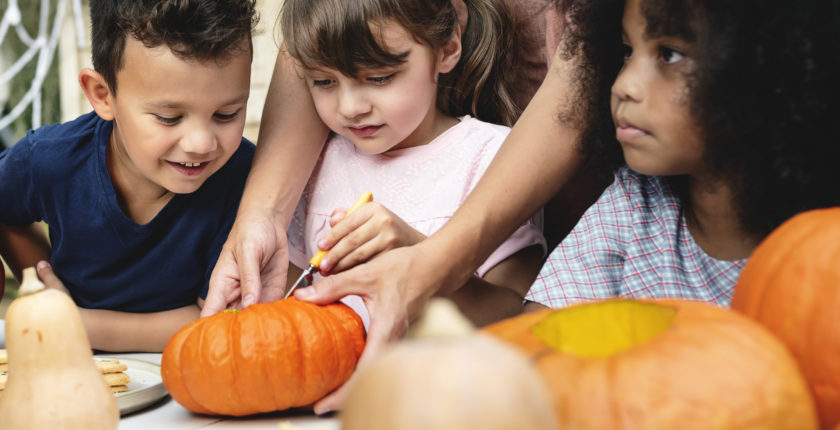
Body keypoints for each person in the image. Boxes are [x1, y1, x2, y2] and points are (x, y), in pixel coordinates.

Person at [0, 0, 258, 352]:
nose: (201, 144)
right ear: (103, 95)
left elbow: (218, 319)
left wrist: (79, 324)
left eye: (227, 114)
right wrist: (44, 282)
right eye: (169, 117)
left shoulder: (247, 181)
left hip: (193, 380)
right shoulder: (49, 159)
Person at [278, 0, 546, 327]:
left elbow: (511, 313)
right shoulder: (313, 161)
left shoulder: (496, 157)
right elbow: (287, 303)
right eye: (323, 81)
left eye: (378, 78)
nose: (349, 107)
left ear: (446, 50)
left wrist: (418, 256)